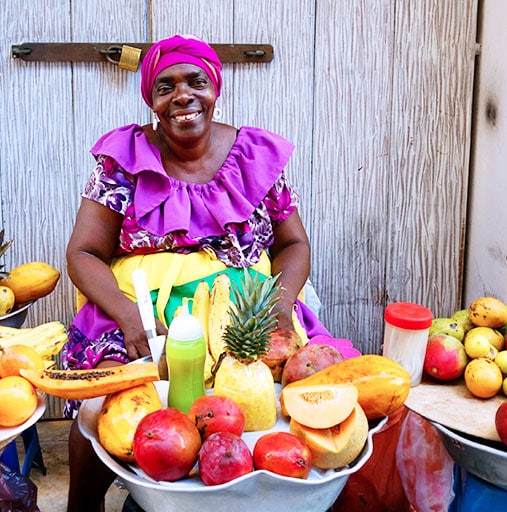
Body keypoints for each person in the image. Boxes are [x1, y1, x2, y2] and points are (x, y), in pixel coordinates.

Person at [62, 34, 332, 512]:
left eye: (195, 82)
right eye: (165, 87)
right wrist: (126, 315)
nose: (182, 96)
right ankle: (83, 507)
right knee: (99, 410)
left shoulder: (253, 156)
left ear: (215, 89)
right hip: (143, 311)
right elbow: (83, 252)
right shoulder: (124, 161)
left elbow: (294, 244)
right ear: (152, 100)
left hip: (250, 310)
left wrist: (282, 305)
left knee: (303, 401)